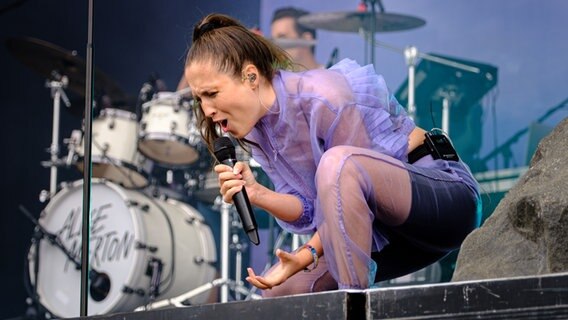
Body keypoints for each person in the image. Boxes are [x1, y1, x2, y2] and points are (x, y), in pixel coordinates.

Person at [183, 13, 481, 296]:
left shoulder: (323, 95)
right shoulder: (259, 130)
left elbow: (347, 179)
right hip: (389, 237)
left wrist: (308, 252)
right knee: (277, 291)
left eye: (212, 94)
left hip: (443, 202)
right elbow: (312, 209)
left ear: (250, 76)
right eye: (199, 99)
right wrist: (257, 193)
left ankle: (354, 306)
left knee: (338, 163)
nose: (207, 111)